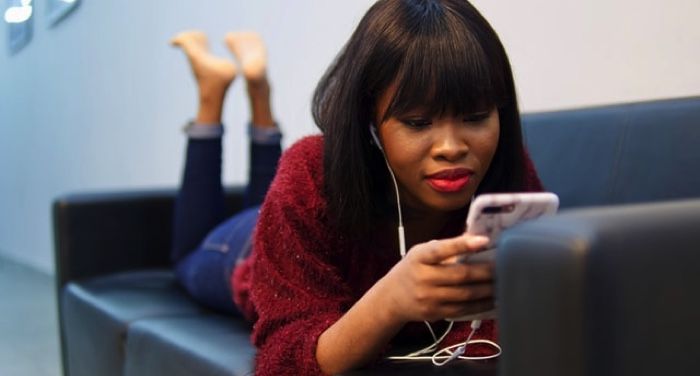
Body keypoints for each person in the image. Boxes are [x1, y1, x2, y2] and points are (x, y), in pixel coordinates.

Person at [171, 0, 544, 375]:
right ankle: (213, 97)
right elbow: (281, 359)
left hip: (284, 219)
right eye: (417, 122)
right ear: (370, 125)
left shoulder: (508, 175)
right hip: (248, 252)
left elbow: (487, 338)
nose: (452, 148)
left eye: (476, 118)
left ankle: (258, 96)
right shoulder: (310, 174)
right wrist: (390, 300)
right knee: (186, 256)